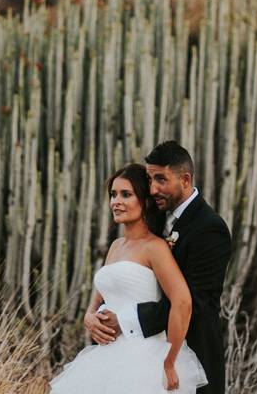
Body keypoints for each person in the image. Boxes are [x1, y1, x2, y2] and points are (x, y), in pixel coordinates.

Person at [88, 141, 233, 394]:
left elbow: (193, 302)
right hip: (127, 351)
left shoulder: (209, 228)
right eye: (150, 180)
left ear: (185, 180)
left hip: (189, 355)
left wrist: (123, 320)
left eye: (161, 179)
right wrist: (93, 317)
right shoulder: (154, 219)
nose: (153, 189)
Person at [50, 163, 208, 393]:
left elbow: (182, 301)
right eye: (113, 195)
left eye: (126, 194)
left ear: (144, 201)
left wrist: (170, 361)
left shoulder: (155, 247)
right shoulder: (115, 246)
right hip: (106, 356)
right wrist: (88, 318)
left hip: (144, 357)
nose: (116, 201)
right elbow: (98, 299)